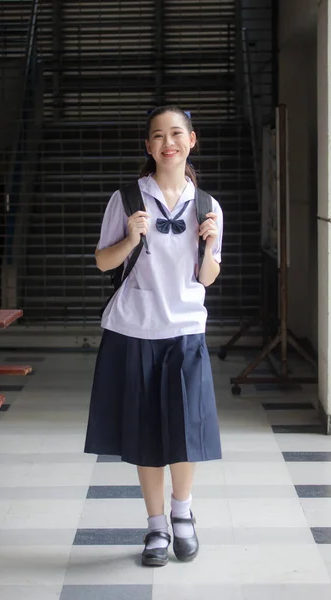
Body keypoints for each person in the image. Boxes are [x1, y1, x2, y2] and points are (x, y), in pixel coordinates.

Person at [84, 105, 223, 567]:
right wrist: (130, 238)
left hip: (185, 330)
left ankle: (183, 515)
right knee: (146, 432)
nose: (169, 142)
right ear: (149, 146)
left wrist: (207, 245)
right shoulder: (126, 199)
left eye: (177, 133)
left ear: (191, 140)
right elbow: (104, 262)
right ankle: (156, 525)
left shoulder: (207, 205)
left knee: (186, 430)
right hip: (136, 330)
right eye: (159, 135)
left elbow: (206, 278)